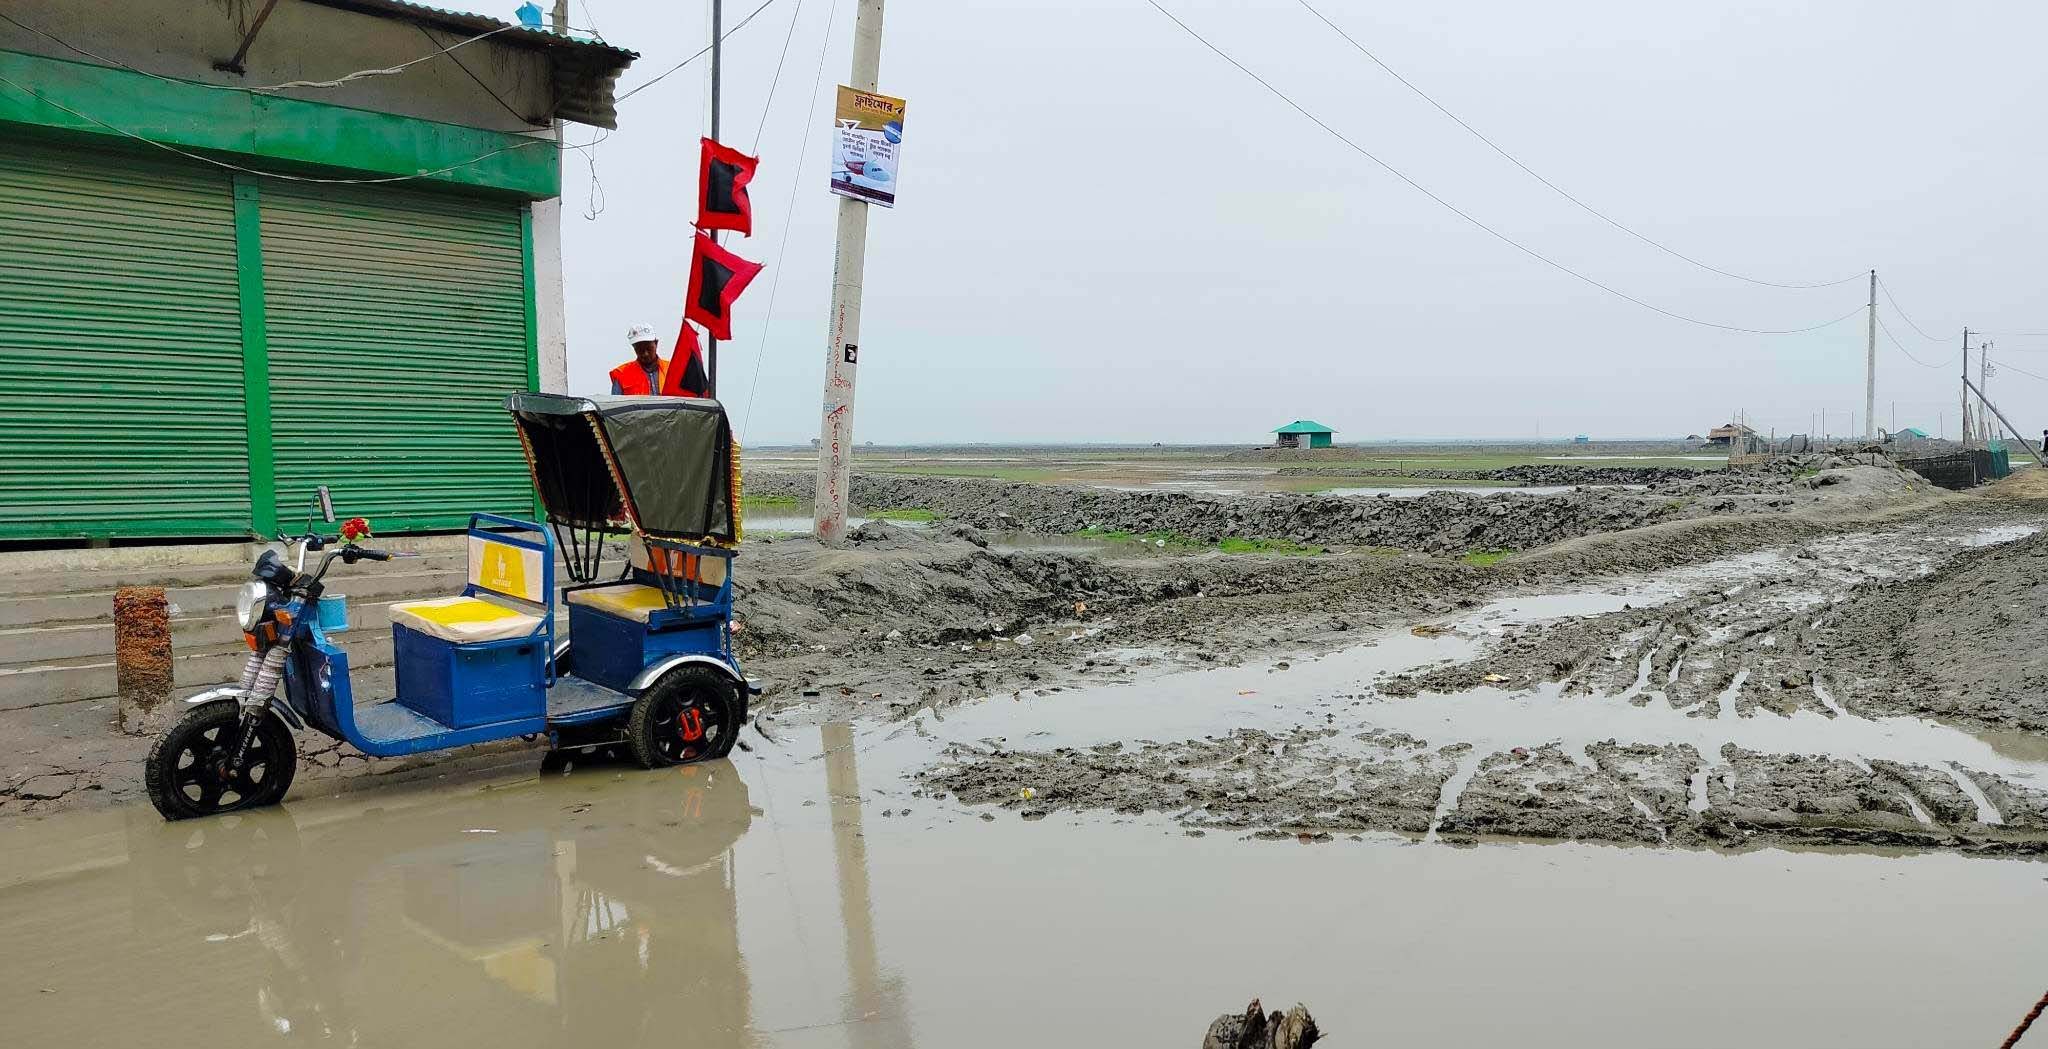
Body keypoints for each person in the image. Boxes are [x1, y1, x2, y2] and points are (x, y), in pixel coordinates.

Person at [609, 324, 668, 395]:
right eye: (640, 349)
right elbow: (616, 404)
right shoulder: (621, 374)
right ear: (634, 348)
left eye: (649, 348)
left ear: (656, 343)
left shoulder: (673, 369)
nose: (645, 354)